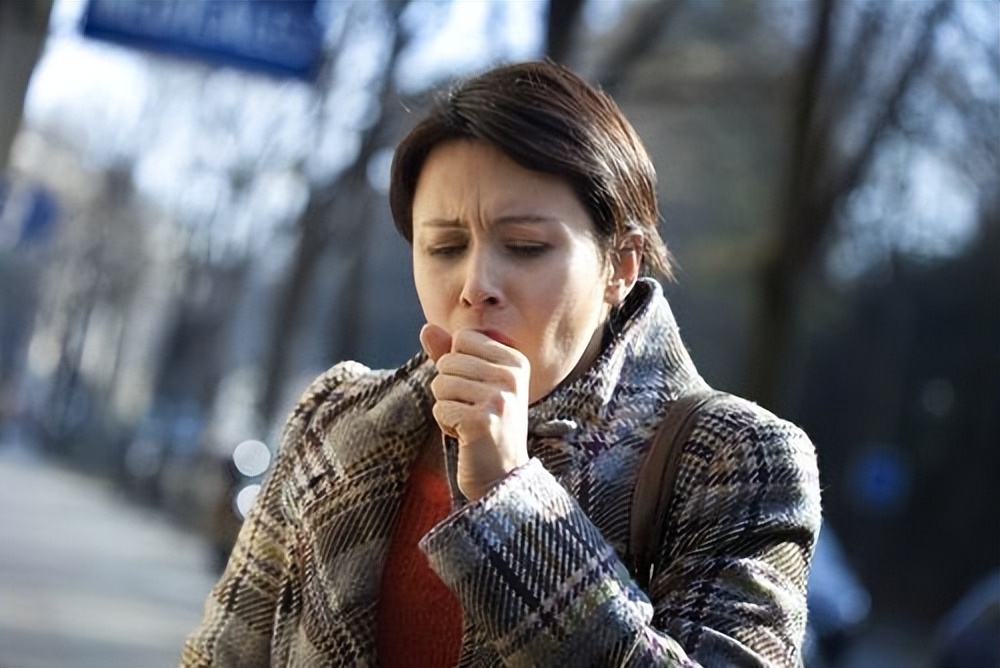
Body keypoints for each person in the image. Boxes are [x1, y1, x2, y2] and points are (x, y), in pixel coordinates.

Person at [180, 60, 822, 667]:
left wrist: (511, 500)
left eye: (525, 247)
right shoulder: (333, 419)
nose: (475, 283)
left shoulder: (737, 460)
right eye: (445, 246)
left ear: (620, 265)